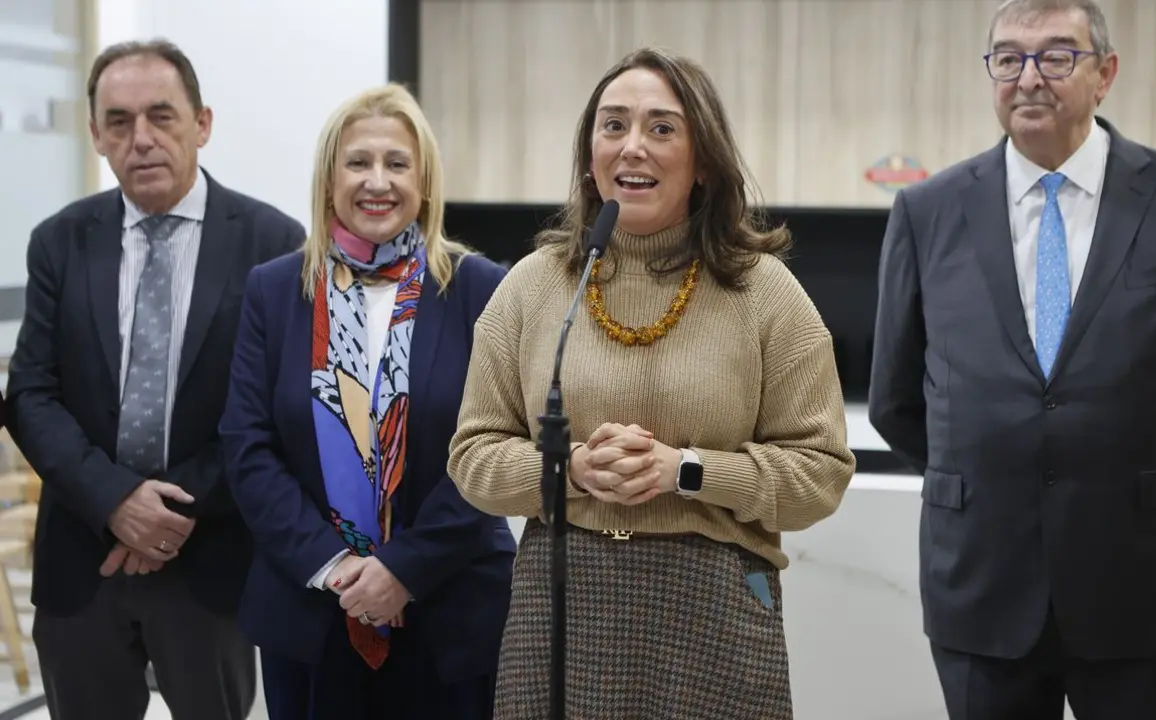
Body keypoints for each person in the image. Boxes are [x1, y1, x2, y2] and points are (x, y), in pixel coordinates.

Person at [868, 1, 1156, 718]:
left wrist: (1128, 471)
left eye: (1056, 56)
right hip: (982, 584)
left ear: (1104, 74)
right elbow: (898, 399)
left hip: (1142, 585)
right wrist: (1007, 472)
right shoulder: (927, 212)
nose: (1029, 78)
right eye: (1008, 58)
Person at [447, 46, 856, 719]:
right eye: (613, 126)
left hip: (715, 612)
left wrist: (687, 472)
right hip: (562, 608)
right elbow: (472, 457)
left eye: (662, 129)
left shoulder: (765, 294)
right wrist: (570, 469)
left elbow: (820, 474)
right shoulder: (533, 286)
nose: (632, 146)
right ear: (588, 156)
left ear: (703, 163)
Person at [5, 39, 303, 720]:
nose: (140, 139)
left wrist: (164, 515)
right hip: (83, 558)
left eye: (161, 116)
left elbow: (275, 411)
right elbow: (31, 394)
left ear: (202, 123)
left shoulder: (272, 243)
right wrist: (115, 502)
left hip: (210, 561)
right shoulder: (60, 240)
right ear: (96, 136)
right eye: (119, 122)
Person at [218, 84, 515, 720]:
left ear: (425, 183)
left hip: (450, 609)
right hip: (311, 610)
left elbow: (497, 447)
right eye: (357, 162)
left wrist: (402, 569)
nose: (376, 181)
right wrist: (333, 567)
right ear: (329, 180)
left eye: (396, 163)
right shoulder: (275, 290)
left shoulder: (481, 290)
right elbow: (247, 446)